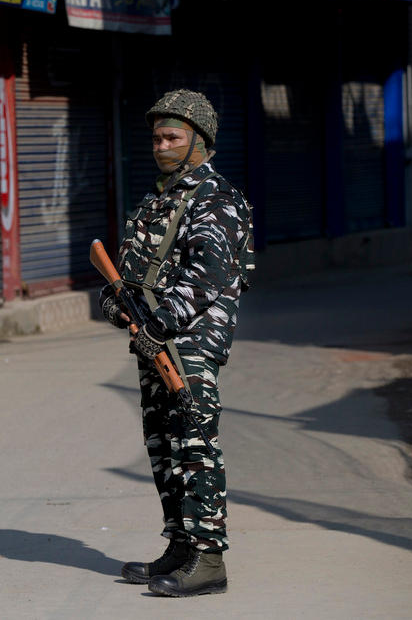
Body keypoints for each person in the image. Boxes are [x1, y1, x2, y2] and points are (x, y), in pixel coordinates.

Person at [100, 88, 253, 597]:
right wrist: (115, 300)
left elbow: (204, 279)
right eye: (157, 137)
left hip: (190, 340)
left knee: (194, 444)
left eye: (173, 137)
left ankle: (209, 559)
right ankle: (182, 546)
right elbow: (133, 270)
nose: (161, 146)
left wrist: (159, 326)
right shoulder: (161, 197)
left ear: (200, 141)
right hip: (154, 338)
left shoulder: (218, 199)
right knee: (163, 446)